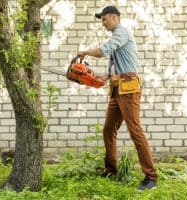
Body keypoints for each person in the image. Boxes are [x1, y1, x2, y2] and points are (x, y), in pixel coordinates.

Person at [77, 6, 158, 191]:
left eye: (105, 19)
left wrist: (85, 52)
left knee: (135, 130)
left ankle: (151, 177)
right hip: (116, 88)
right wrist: (105, 75)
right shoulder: (116, 36)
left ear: (114, 17)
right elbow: (116, 63)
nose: (103, 23)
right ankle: (111, 169)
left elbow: (104, 51)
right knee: (108, 129)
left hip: (128, 88)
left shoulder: (122, 32)